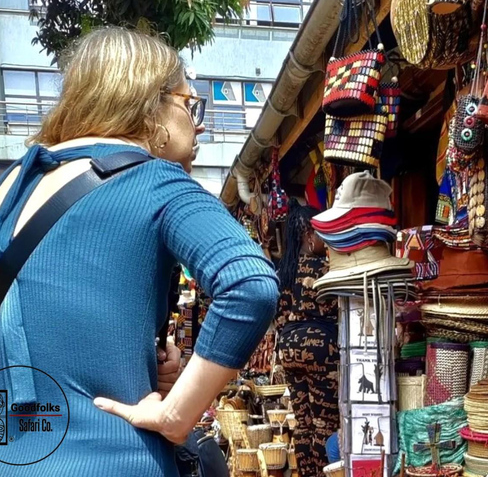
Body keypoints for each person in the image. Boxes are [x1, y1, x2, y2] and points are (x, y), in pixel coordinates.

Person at [0, 27, 279, 476]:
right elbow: (250, 285)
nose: (200, 121)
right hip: (115, 459)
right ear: (152, 104)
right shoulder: (156, 182)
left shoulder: (12, 183)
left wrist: (136, 358)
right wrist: (177, 413)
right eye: (190, 103)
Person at [275, 199, 340, 477]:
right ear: (309, 235)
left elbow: (276, 315)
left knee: (303, 423)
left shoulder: (282, 272)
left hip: (288, 349)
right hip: (319, 348)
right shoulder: (323, 268)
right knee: (324, 422)